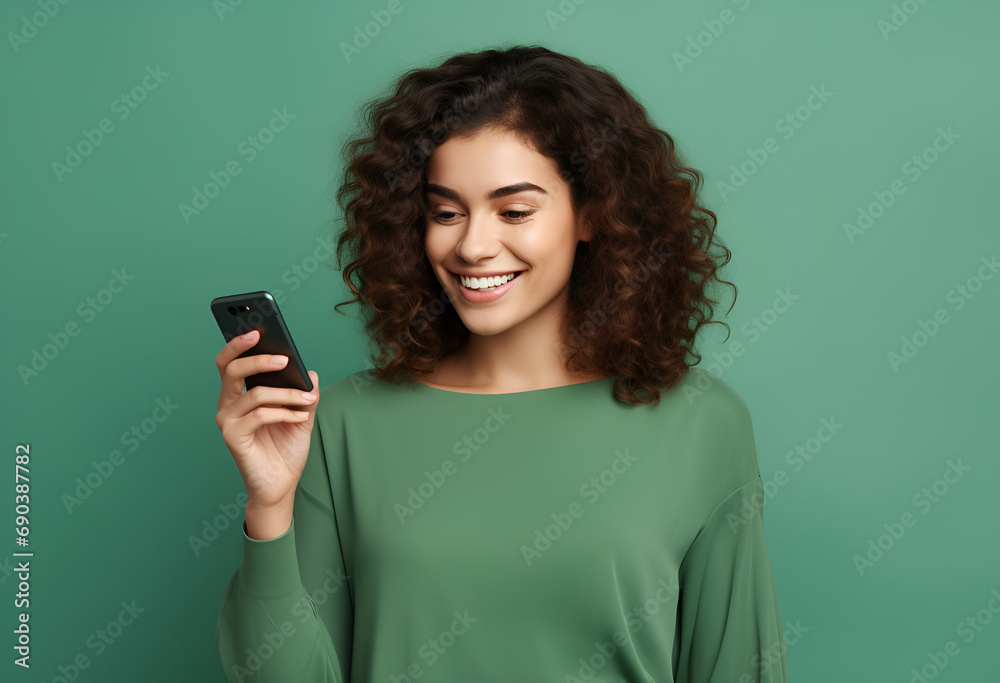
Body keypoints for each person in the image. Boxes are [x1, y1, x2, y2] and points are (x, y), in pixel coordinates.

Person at [214, 45, 788, 682]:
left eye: (515, 210)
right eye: (446, 212)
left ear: (593, 213)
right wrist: (268, 509)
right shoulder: (341, 422)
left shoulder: (701, 424)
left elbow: (738, 669)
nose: (473, 246)